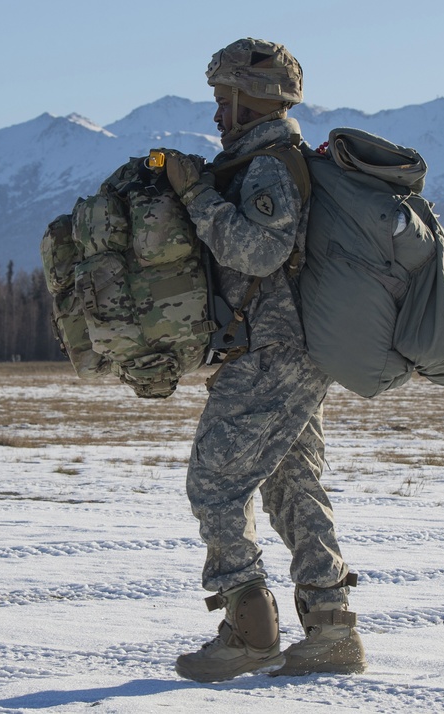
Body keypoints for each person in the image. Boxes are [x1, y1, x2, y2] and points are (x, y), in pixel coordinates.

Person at [157, 38, 368, 683]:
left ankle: (249, 629)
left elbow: (256, 253)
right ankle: (331, 627)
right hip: (295, 352)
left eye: (227, 100)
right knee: (292, 484)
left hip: (275, 355)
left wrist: (195, 195)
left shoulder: (271, 167)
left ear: (258, 101)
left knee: (215, 484)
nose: (220, 115)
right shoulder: (264, 161)